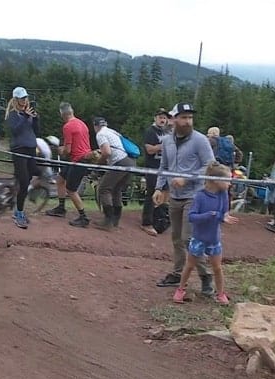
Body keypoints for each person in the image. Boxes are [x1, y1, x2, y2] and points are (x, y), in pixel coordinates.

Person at [153, 103, 216, 294]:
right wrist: (159, 187)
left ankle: (205, 276)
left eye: (190, 117)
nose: (188, 121)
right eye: (184, 117)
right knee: (176, 238)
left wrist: (187, 178)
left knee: (188, 238)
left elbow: (210, 165)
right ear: (174, 119)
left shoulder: (200, 140)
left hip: (195, 195)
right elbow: (164, 166)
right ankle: (177, 273)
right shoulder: (167, 141)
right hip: (174, 196)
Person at [173, 162, 238, 305]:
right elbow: (192, 217)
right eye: (227, 180)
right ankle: (180, 289)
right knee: (190, 265)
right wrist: (210, 215)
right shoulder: (200, 196)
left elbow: (223, 213)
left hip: (214, 239)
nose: (230, 183)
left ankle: (221, 293)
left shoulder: (223, 195)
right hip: (198, 238)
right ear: (216, 180)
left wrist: (223, 217)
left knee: (217, 268)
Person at [45, 102, 92, 227]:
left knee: (71, 189)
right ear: (72, 111)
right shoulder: (82, 124)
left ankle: (84, 217)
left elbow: (68, 150)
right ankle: (61, 208)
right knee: (60, 179)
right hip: (80, 158)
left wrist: (60, 150)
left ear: (62, 114)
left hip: (78, 160)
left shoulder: (67, 127)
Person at [5, 86, 41, 229]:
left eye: (25, 97)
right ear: (16, 100)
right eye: (21, 98)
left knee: (33, 175)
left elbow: (36, 132)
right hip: (19, 149)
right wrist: (25, 116)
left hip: (31, 148)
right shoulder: (13, 114)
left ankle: (16, 201)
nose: (24, 100)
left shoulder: (29, 112)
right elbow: (15, 130)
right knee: (24, 181)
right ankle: (19, 213)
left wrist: (36, 119)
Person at [92, 117, 135, 230]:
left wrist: (98, 163)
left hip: (119, 162)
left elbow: (107, 152)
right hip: (129, 161)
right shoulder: (112, 131)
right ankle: (115, 220)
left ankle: (108, 221)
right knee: (116, 190)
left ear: (95, 126)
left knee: (104, 189)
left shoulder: (100, 134)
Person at [141, 108, 171, 236]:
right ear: (155, 118)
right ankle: (146, 222)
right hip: (153, 167)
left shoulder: (167, 132)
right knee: (152, 194)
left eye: (164, 118)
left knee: (164, 194)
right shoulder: (150, 131)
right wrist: (164, 146)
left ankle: (159, 220)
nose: (162, 120)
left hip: (165, 168)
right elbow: (149, 149)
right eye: (160, 117)